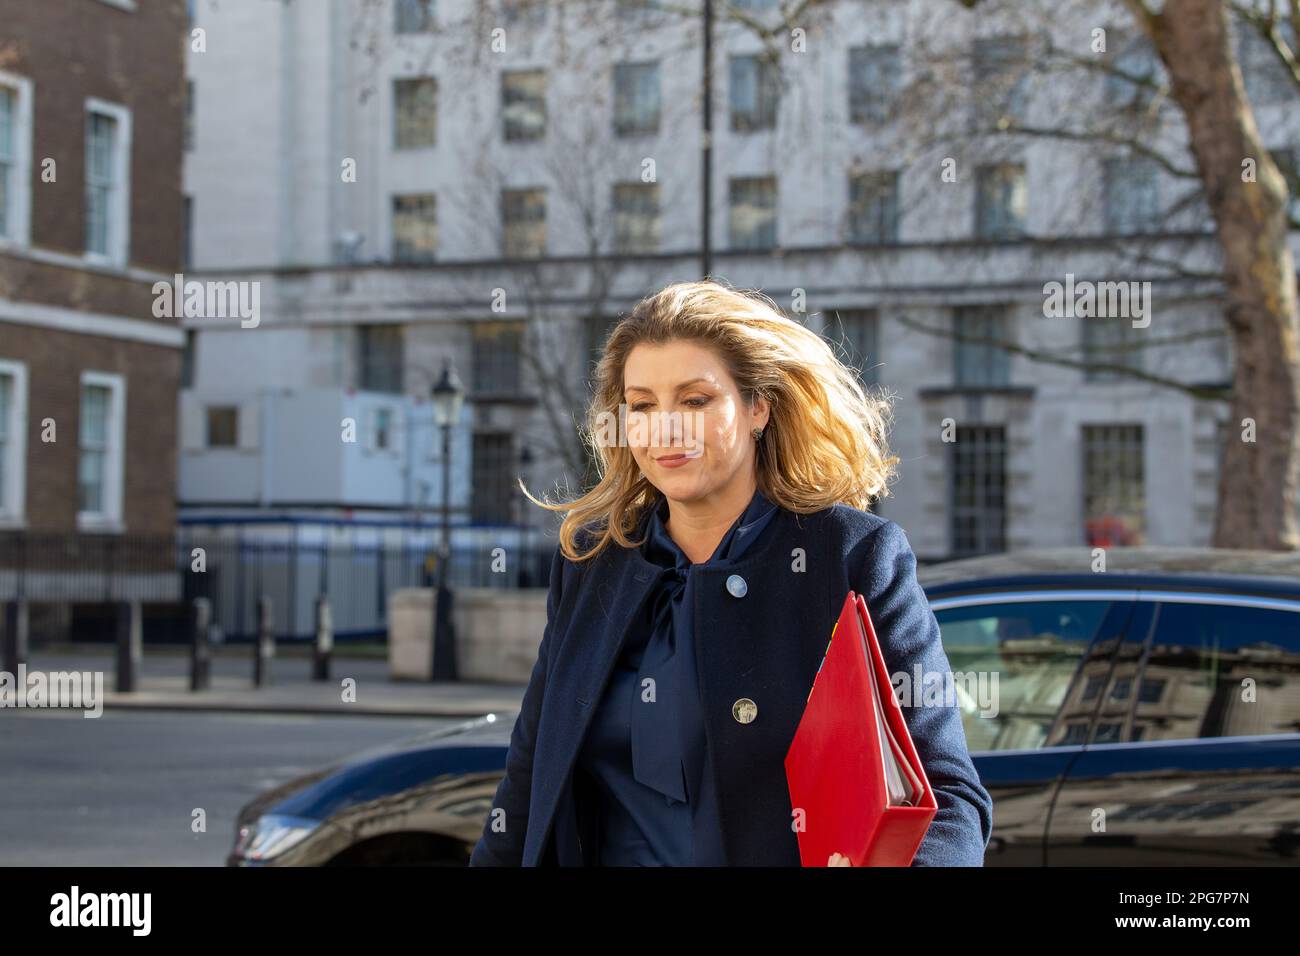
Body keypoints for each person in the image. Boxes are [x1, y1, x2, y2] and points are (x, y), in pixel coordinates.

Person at [470, 279, 993, 866]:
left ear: (757, 408)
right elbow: (527, 778)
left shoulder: (850, 556)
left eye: (695, 401)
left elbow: (948, 800)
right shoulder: (593, 563)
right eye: (642, 406)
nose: (666, 429)